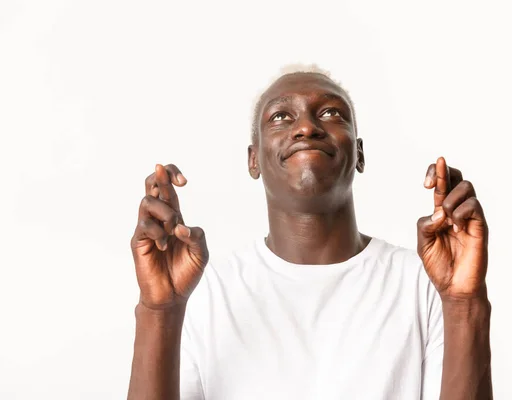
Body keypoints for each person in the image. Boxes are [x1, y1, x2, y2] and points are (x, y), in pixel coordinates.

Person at [127, 66, 493, 400]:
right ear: (253, 160)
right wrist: (160, 310)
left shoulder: (423, 284)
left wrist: (464, 302)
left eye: (331, 113)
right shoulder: (204, 294)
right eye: (281, 116)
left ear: (360, 153)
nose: (306, 127)